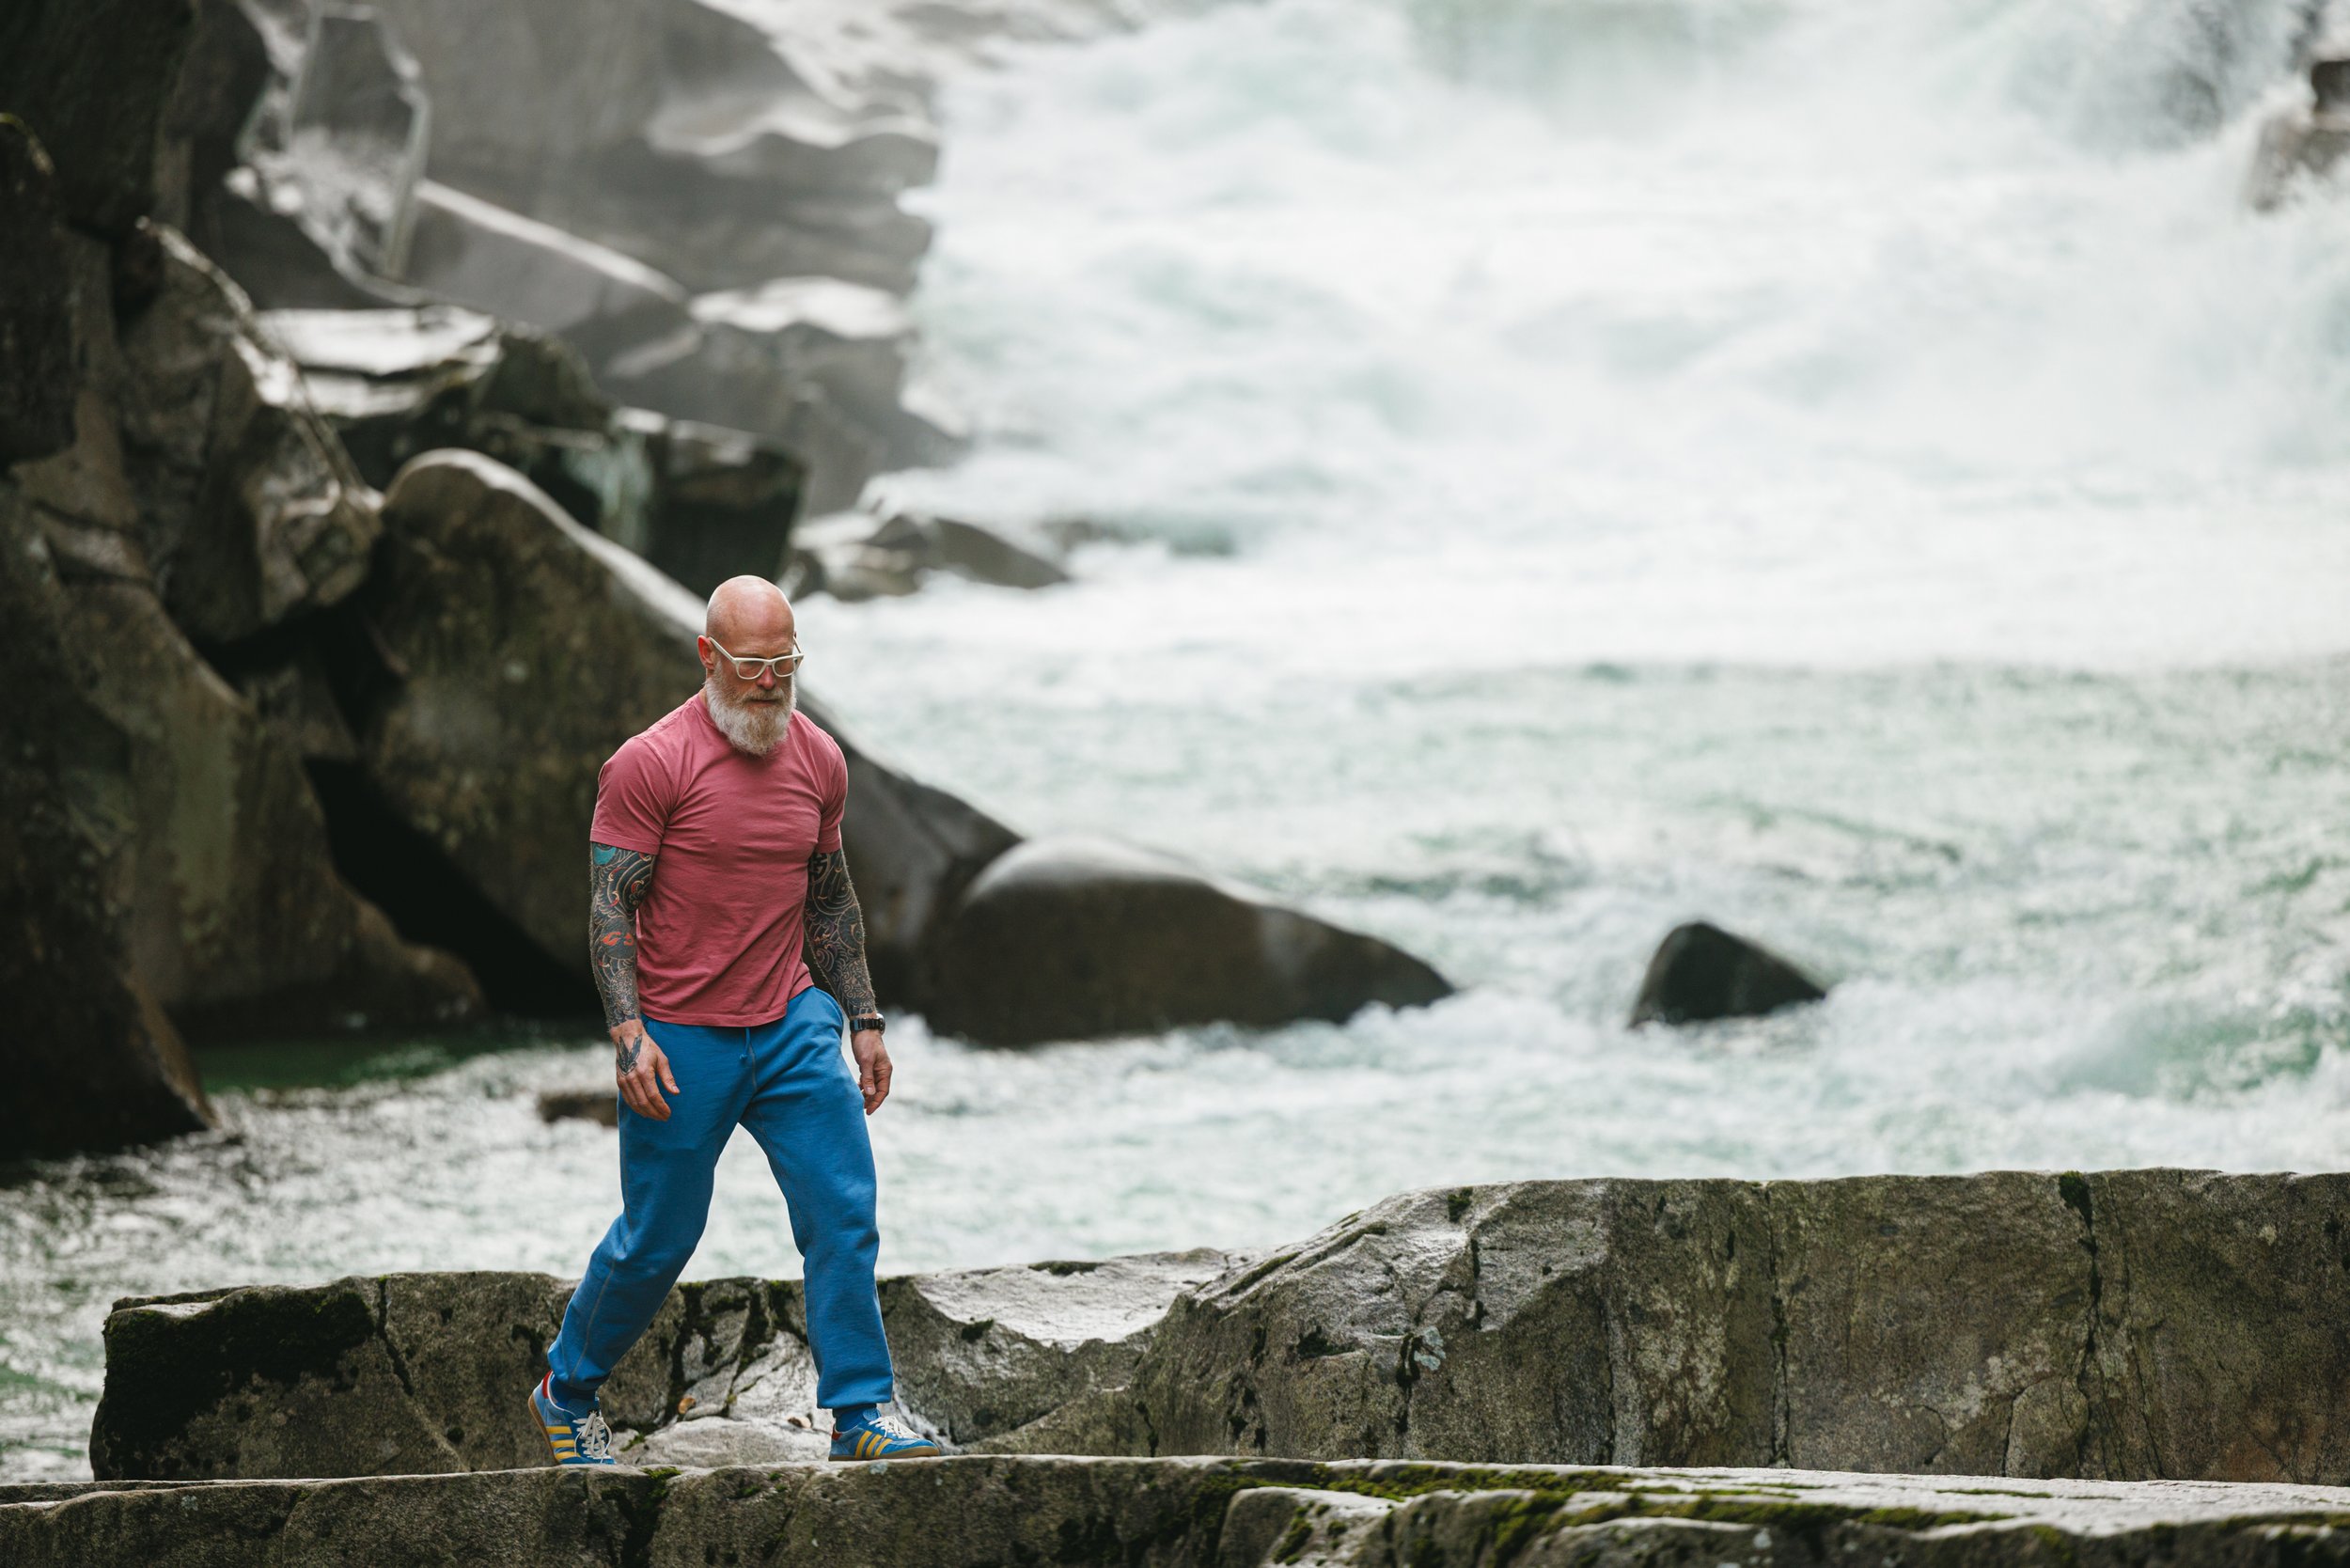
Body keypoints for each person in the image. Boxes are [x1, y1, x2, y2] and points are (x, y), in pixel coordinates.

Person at [528, 576, 941, 1466]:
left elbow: (828, 899)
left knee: (843, 1210)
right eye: (752, 664)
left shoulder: (819, 760)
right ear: (709, 657)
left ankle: (861, 1415)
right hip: (680, 1037)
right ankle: (566, 1389)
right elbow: (609, 911)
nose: (769, 681)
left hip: (793, 1021)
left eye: (785, 663)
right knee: (659, 1237)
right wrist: (628, 1035)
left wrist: (863, 1015)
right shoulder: (649, 764)